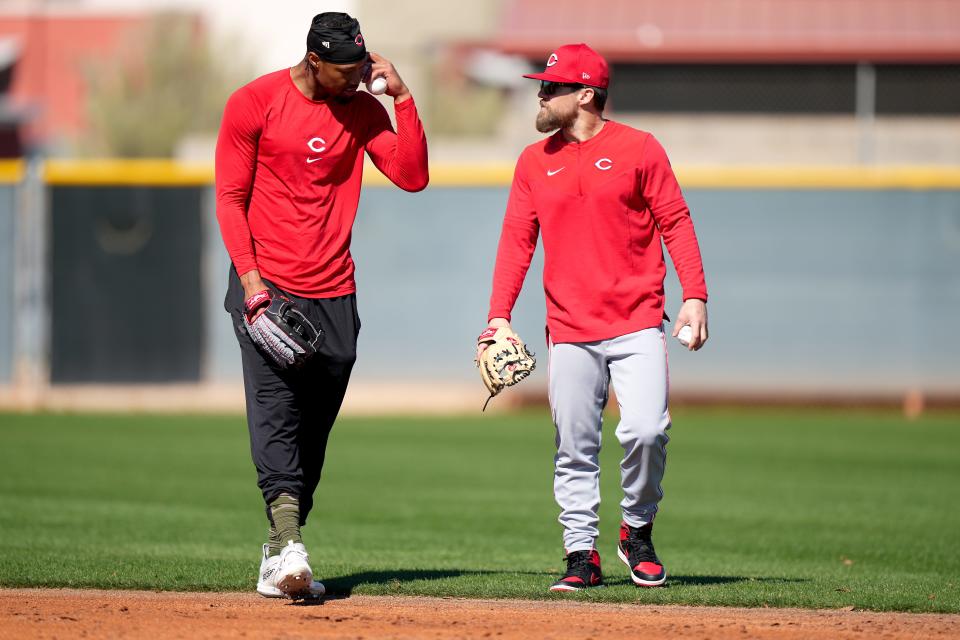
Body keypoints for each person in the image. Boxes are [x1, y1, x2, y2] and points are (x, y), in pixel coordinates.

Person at [215, 11, 428, 599]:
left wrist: (404, 97)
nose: (361, 75)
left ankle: (278, 545)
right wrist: (252, 281)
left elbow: (412, 176)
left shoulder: (363, 110)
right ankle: (289, 544)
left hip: (334, 290)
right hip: (266, 286)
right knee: (275, 409)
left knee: (315, 426)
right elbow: (231, 200)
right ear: (314, 61)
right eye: (348, 68)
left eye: (365, 63)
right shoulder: (254, 103)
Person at [480, 43, 708, 591]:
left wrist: (695, 296)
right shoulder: (534, 161)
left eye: (551, 86)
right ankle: (581, 553)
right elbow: (517, 242)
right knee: (574, 446)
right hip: (569, 328)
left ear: (585, 94)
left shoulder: (639, 149)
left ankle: (636, 528)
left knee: (648, 430)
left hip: (636, 320)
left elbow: (675, 221)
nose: (541, 93)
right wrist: (499, 317)